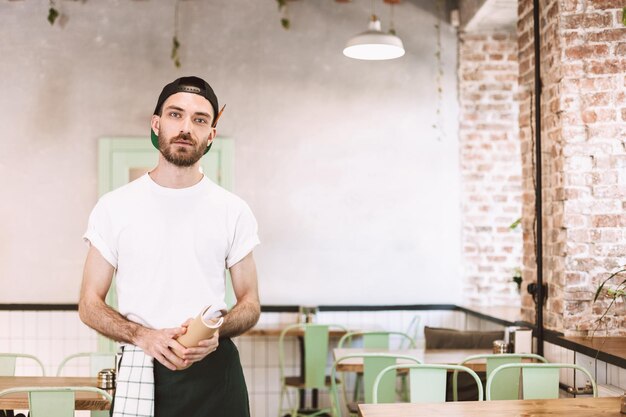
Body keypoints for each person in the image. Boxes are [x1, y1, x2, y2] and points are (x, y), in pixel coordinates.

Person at [79, 76, 260, 417]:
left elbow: (250, 302)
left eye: (200, 119)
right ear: (156, 123)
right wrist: (143, 335)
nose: (186, 127)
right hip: (141, 368)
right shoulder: (114, 207)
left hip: (216, 375)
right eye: (176, 115)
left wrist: (215, 332)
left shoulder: (233, 210)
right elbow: (89, 304)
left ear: (211, 135)